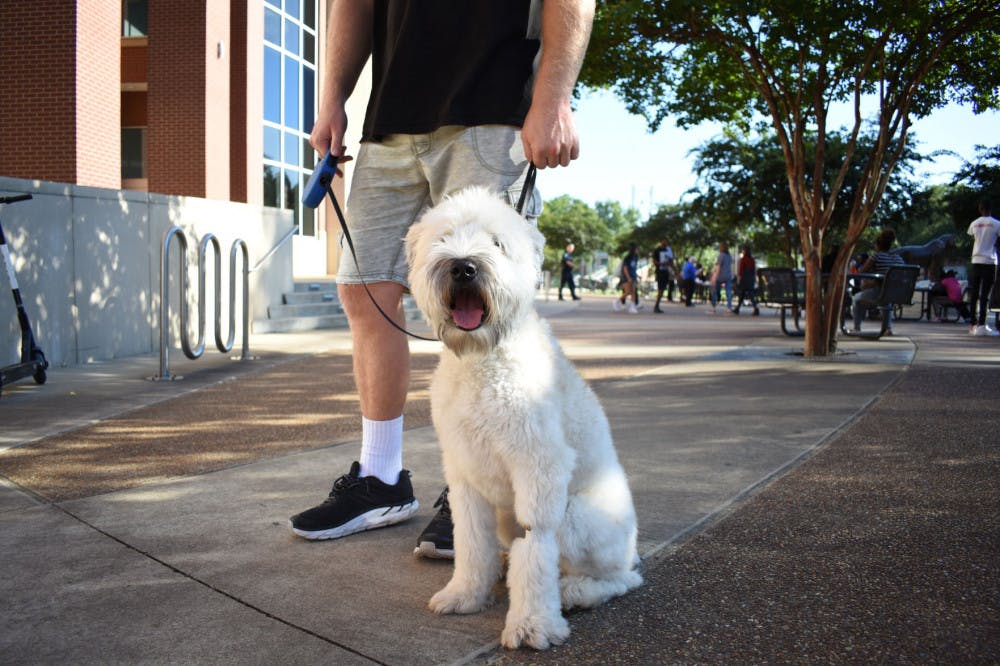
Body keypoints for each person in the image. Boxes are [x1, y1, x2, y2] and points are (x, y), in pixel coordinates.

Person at [289, 0, 597, 558]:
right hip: (388, 122)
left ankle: (477, 493)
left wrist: (553, 98)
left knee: (488, 303)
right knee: (364, 290)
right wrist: (332, 96)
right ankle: (381, 479)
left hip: (492, 105)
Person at [851, 228, 904, 334]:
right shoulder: (898, 258)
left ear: (878, 245)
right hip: (896, 293)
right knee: (886, 301)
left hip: (880, 292)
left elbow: (862, 272)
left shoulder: (876, 256)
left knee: (856, 299)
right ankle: (888, 328)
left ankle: (857, 327)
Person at [966, 199, 1000, 336]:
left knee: (974, 293)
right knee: (985, 294)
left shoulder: (974, 223)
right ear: (991, 209)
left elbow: (972, 237)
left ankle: (972, 324)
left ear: (980, 209)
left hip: (976, 259)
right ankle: (982, 324)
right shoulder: (997, 224)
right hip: (990, 260)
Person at [613, 243, 640, 314]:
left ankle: (632, 307)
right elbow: (625, 268)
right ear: (633, 249)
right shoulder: (627, 258)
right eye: (637, 249)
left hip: (633, 276)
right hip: (626, 277)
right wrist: (628, 277)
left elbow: (634, 268)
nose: (638, 250)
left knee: (633, 291)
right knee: (628, 292)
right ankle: (617, 301)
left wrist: (637, 276)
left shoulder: (636, 258)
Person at [733, 245, 759, 316]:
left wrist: (739, 280)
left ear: (744, 251)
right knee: (749, 293)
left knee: (742, 293)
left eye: (743, 250)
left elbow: (740, 271)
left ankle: (738, 308)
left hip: (744, 279)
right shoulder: (752, 260)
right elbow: (754, 270)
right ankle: (739, 308)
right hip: (751, 278)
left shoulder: (743, 260)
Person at [651, 238, 675, 312]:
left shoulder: (668, 250)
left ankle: (657, 305)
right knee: (660, 289)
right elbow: (654, 261)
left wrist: (672, 268)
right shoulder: (657, 250)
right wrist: (661, 264)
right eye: (664, 241)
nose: (665, 243)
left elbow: (671, 261)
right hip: (659, 272)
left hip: (666, 272)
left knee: (662, 289)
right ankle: (656, 306)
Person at [709, 241, 734, 312]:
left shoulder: (721, 255)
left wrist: (714, 277)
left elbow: (718, 267)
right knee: (728, 291)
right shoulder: (729, 256)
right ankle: (729, 307)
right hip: (728, 275)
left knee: (715, 291)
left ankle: (713, 306)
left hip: (720, 276)